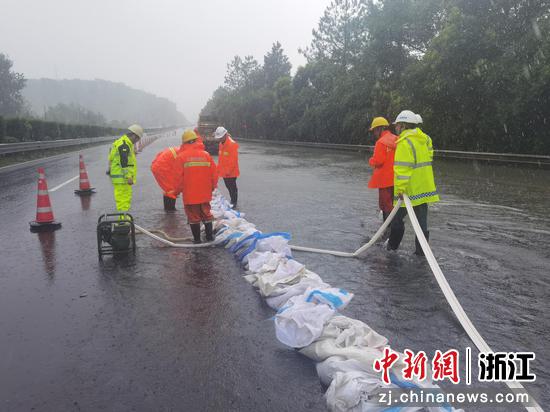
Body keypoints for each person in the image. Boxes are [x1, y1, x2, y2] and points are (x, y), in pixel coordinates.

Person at [387, 110, 439, 256]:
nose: (396, 128)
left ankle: (392, 249)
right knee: (422, 222)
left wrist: (400, 190)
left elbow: (402, 169)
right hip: (424, 187)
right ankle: (421, 253)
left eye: (397, 125)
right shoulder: (426, 139)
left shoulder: (404, 142)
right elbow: (429, 157)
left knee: (396, 218)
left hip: (409, 190)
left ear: (403, 126)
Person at [176, 129, 218, 244]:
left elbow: (179, 178)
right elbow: (214, 174)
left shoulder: (181, 157)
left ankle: (197, 240)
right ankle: (210, 238)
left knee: (193, 217)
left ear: (185, 142)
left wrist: (177, 191)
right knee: (206, 214)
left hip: (190, 195)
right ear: (195, 140)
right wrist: (212, 187)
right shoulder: (206, 155)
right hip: (205, 193)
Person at [108, 124, 143, 216]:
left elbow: (111, 157)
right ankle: (123, 222)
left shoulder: (122, 142)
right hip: (122, 178)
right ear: (134, 136)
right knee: (124, 200)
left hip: (119, 177)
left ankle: (122, 219)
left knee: (122, 199)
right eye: (137, 139)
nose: (137, 142)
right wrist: (128, 176)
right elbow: (123, 161)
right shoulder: (124, 144)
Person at [367, 117, 398, 223]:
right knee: (393, 204)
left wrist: (371, 160)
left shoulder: (380, 142)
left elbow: (378, 161)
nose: (374, 133)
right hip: (396, 178)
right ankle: (393, 225)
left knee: (385, 205)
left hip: (384, 180)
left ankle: (387, 228)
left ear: (379, 129)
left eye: (374, 130)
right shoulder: (396, 139)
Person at [214, 126, 239, 207]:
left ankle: (234, 202)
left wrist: (228, 171)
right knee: (228, 186)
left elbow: (233, 160)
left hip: (231, 171)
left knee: (232, 187)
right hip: (224, 171)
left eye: (220, 137)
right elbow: (221, 158)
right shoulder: (221, 144)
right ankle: (232, 200)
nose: (219, 139)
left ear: (225, 135)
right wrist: (218, 170)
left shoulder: (232, 144)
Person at [150, 146, 182, 211]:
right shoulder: (184, 153)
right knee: (171, 188)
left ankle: (168, 209)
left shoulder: (179, 149)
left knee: (169, 188)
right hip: (162, 168)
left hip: (158, 165)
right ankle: (170, 210)